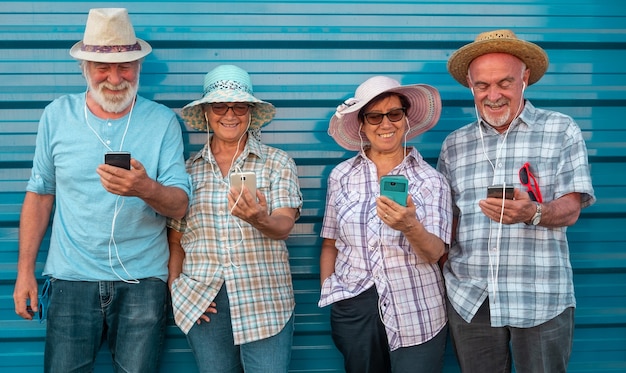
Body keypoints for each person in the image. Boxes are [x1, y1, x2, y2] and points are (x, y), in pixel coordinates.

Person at [12, 8, 191, 372]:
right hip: (71, 279)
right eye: (102, 67)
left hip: (143, 280)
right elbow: (40, 194)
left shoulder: (162, 121)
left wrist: (145, 188)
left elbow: (180, 205)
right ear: (85, 68)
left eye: (124, 66)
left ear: (139, 65)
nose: (114, 77)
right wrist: (24, 272)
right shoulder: (57, 115)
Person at [437, 29, 596, 372]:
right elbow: (448, 220)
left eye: (504, 83)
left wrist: (533, 212)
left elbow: (571, 209)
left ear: (524, 78)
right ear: (470, 84)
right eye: (482, 85)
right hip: (470, 297)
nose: (493, 95)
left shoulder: (561, 129)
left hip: (539, 294)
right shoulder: (454, 145)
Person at [167, 64, 303, 373]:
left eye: (239, 105)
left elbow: (284, 225)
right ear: (205, 112)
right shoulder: (187, 170)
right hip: (204, 300)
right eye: (219, 105)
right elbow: (176, 241)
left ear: (251, 111)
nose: (230, 114)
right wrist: (177, 291)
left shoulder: (277, 162)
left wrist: (259, 219)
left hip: (264, 298)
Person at [319, 76, 452, 372]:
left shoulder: (432, 181)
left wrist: (410, 226)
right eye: (374, 116)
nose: (386, 124)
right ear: (362, 125)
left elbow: (435, 253)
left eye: (394, 114)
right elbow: (330, 243)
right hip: (355, 307)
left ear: (405, 120)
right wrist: (333, 291)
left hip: (417, 308)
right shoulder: (341, 176)